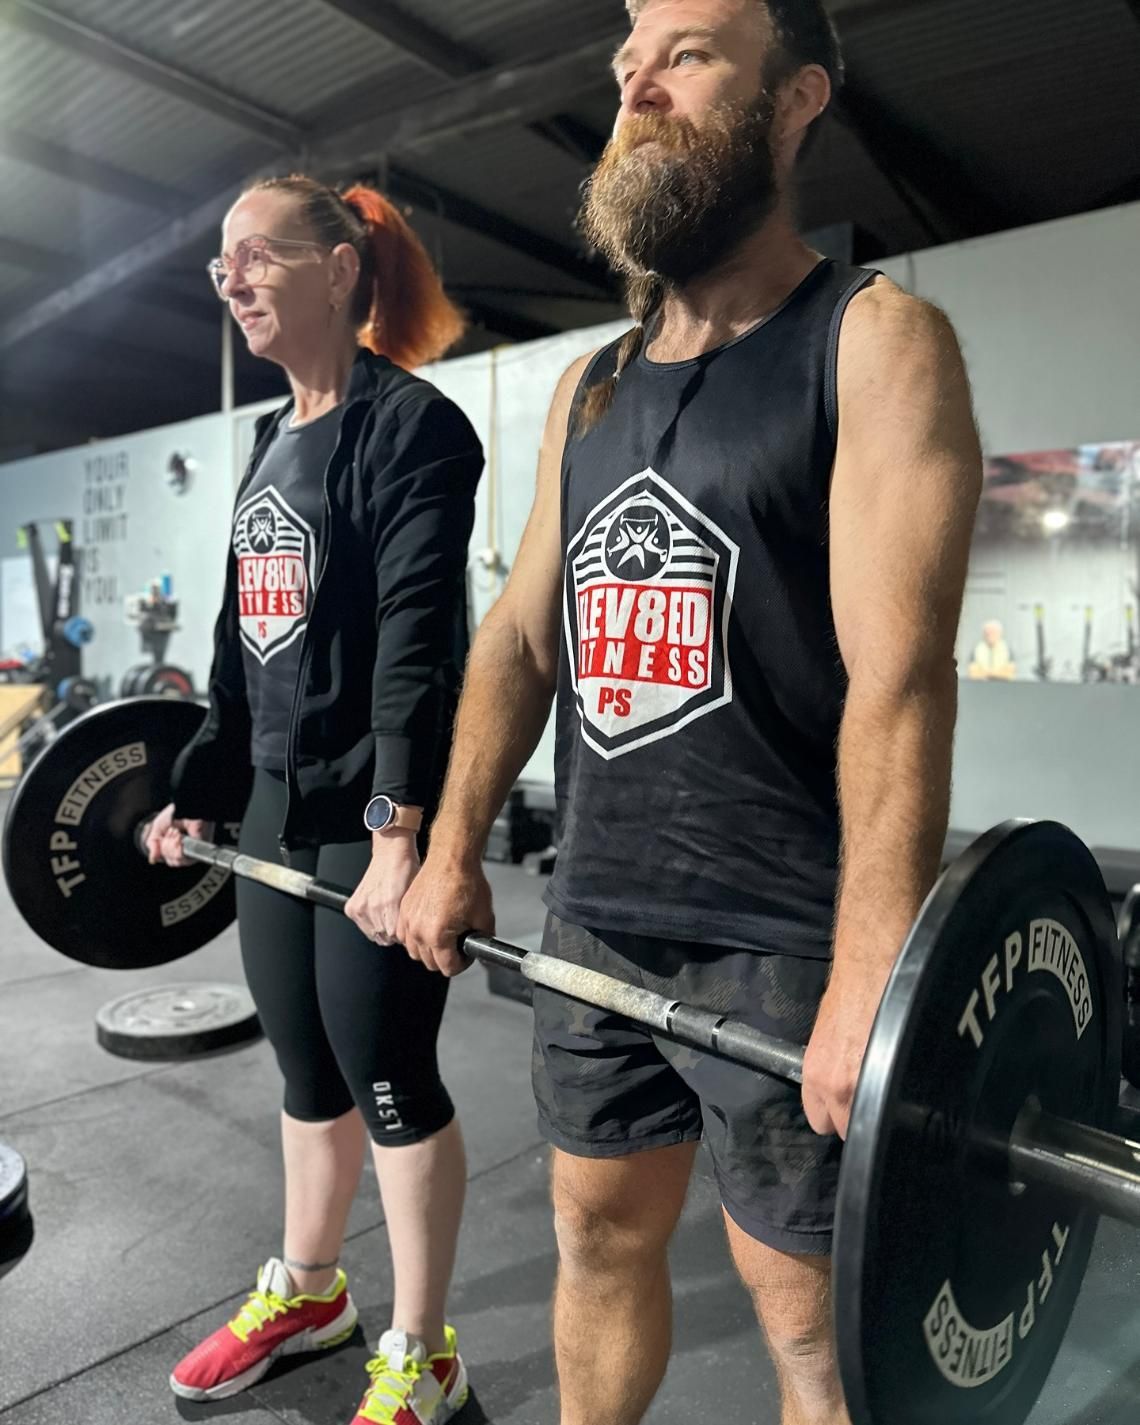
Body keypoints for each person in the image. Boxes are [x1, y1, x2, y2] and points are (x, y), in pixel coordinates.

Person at [398, 2, 983, 1422]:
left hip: (783, 939)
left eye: (691, 53)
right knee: (596, 1235)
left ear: (796, 104)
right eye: (625, 63)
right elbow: (522, 638)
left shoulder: (871, 339)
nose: (637, 82)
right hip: (599, 913)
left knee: (802, 1322)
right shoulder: (590, 384)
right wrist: (453, 843)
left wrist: (870, 975)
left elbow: (899, 679)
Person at [144, 173, 483, 1425]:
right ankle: (312, 1289)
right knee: (303, 1064)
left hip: (367, 814)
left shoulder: (417, 430)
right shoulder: (269, 436)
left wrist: (402, 839)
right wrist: (196, 796)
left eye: (252, 256)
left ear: (338, 270)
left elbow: (415, 645)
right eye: (218, 263)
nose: (228, 279)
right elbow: (244, 645)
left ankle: (422, 1345)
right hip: (281, 806)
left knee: (388, 1067)